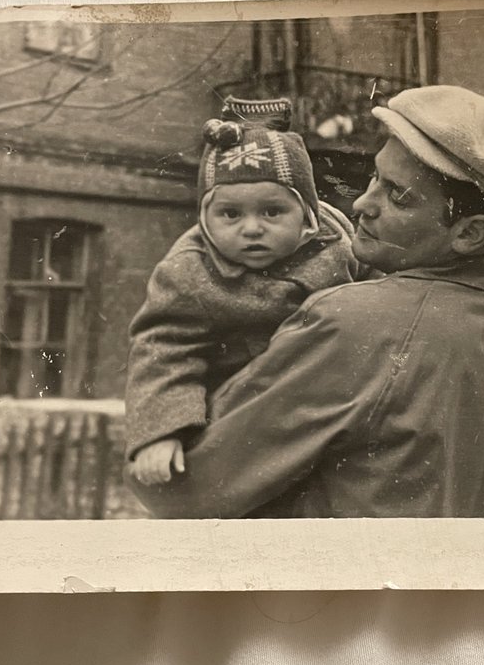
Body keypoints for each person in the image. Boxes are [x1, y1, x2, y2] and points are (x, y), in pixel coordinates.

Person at [129, 85, 484, 519]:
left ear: (469, 233)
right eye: (374, 178)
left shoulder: (349, 324)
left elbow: (186, 492)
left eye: (397, 196)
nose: (362, 203)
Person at [125, 95, 360, 484]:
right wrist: (161, 431)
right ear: (205, 216)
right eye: (230, 214)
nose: (251, 228)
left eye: (272, 212)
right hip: (241, 414)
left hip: (331, 400)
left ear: (307, 213)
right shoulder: (189, 270)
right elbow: (162, 349)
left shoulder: (338, 244)